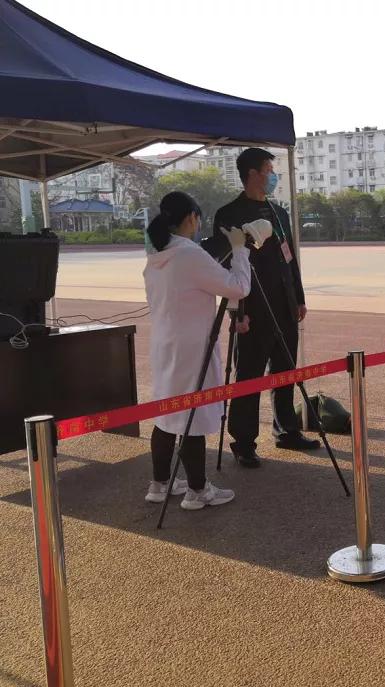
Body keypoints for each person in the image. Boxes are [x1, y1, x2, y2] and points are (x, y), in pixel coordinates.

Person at [208, 148, 319, 468]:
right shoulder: (229, 214)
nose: (273, 176)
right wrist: (236, 311)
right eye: (269, 170)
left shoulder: (278, 212)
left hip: (284, 304)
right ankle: (243, 441)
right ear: (253, 174)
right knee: (249, 374)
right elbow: (223, 265)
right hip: (252, 307)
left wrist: (298, 297)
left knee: (285, 370)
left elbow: (289, 256)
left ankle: (287, 431)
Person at [142, 191, 251, 509]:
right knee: (191, 412)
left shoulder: (157, 254)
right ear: (191, 217)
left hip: (165, 343)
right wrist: (240, 250)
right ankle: (197, 490)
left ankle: (159, 483)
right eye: (198, 218)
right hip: (191, 347)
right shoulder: (188, 253)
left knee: (166, 414)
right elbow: (237, 287)